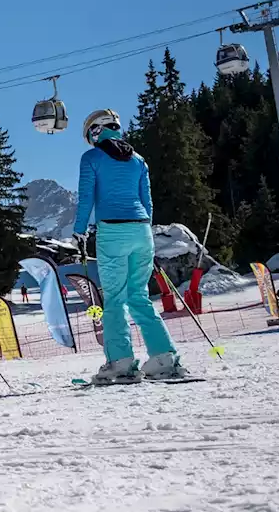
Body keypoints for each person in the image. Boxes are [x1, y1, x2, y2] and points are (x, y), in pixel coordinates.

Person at [75, 109, 185, 384]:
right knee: (138, 296)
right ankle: (163, 357)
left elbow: (87, 197)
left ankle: (120, 362)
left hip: (113, 231)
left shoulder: (91, 158)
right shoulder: (139, 160)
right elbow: (147, 202)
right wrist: (145, 229)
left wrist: (78, 231)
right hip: (142, 230)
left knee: (114, 299)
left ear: (96, 130)